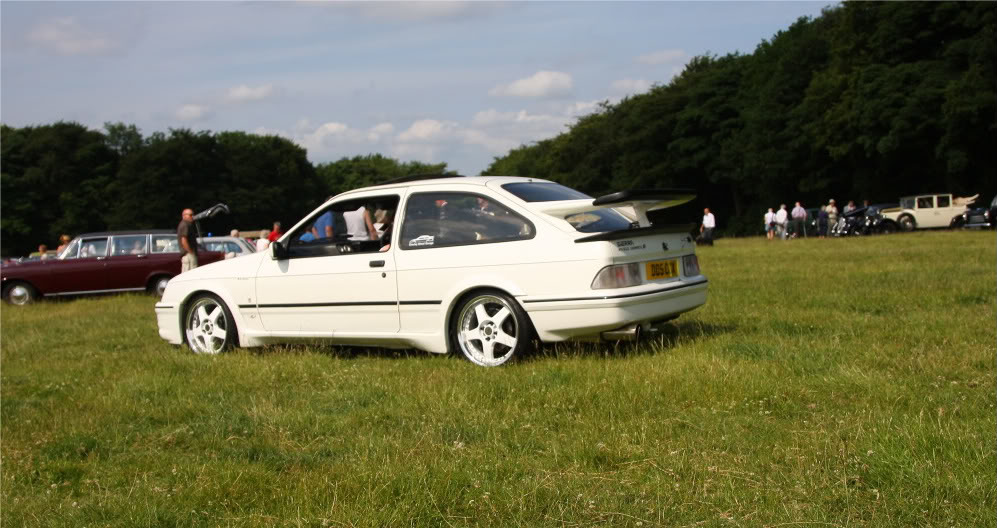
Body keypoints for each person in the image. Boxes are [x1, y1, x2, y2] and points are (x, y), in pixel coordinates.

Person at [177, 208, 198, 272]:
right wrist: (190, 252)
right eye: (190, 215)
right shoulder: (185, 224)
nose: (192, 216)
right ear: (184, 215)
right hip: (188, 255)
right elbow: (184, 240)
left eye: (193, 215)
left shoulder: (188, 224)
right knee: (191, 275)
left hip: (188, 254)